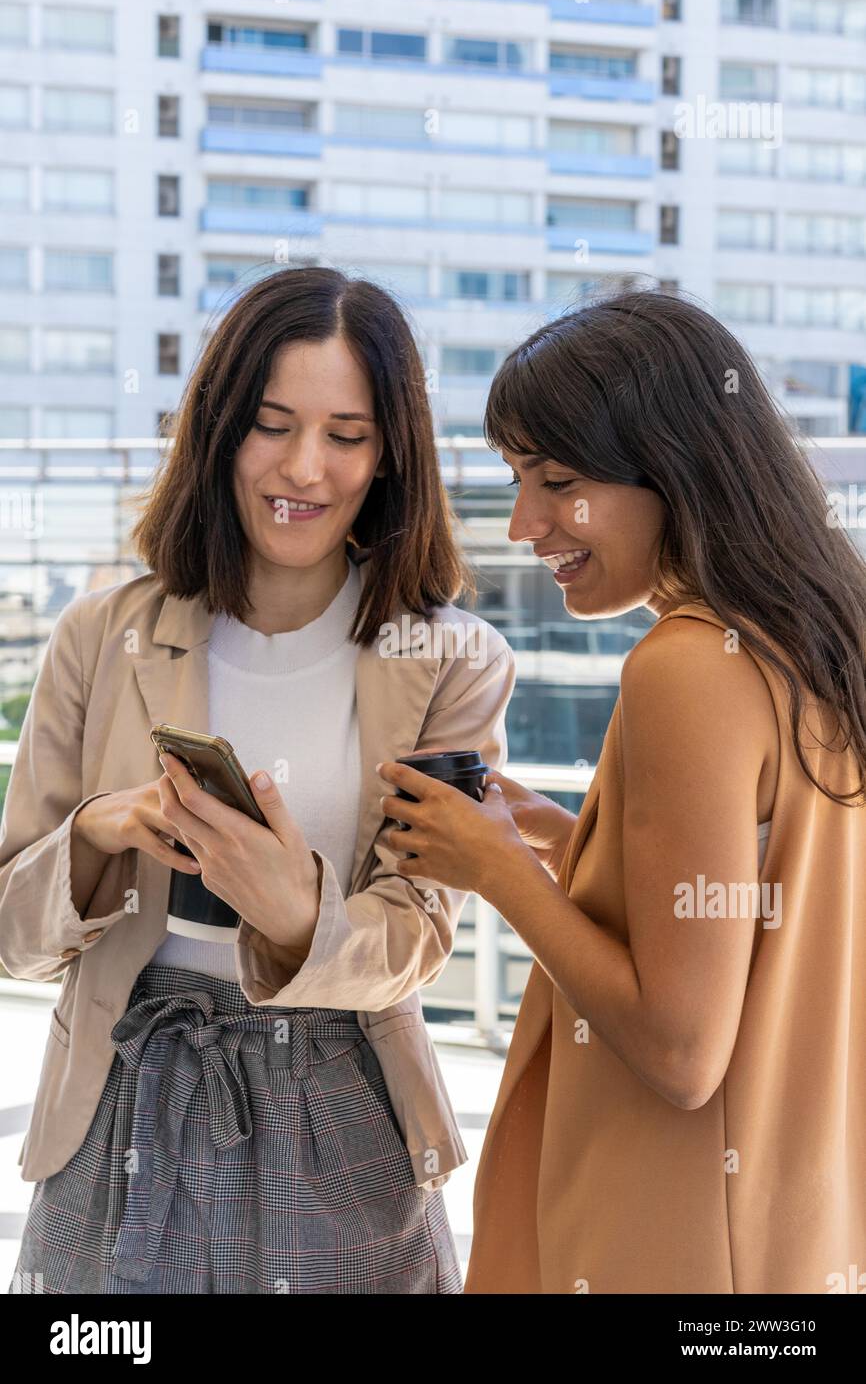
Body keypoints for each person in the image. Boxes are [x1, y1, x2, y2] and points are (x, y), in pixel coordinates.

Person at [0, 265, 515, 1294]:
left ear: (389, 457)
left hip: (351, 1105)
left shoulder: (451, 658)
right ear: (219, 429)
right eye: (271, 424)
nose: (304, 467)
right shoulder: (102, 636)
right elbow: (10, 929)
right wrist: (99, 832)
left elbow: (419, 934)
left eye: (346, 434)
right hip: (123, 1088)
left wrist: (297, 914)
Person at [376, 288, 866, 1293]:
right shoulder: (811, 636)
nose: (523, 524)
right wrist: (570, 839)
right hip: (785, 1226)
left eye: (557, 480)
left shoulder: (684, 667)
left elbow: (680, 1048)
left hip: (663, 1233)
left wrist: (498, 870)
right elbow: (760, 903)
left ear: (675, 466)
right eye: (518, 480)